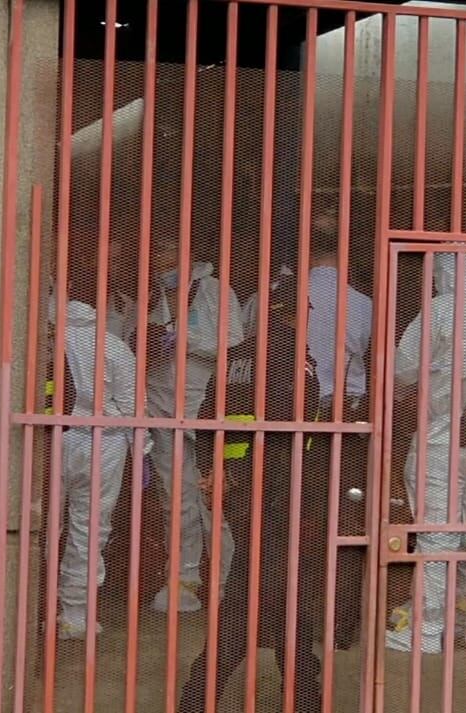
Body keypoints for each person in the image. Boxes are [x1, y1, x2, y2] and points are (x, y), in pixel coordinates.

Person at [179, 280, 323, 713]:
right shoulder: (292, 359)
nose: (310, 320)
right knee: (261, 601)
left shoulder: (234, 357)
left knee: (277, 596)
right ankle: (199, 698)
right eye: (307, 312)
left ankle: (303, 696)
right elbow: (281, 429)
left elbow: (207, 420)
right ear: (291, 313)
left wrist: (215, 474)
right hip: (278, 493)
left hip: (241, 495)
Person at [386, 250, 466, 654]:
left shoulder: (440, 310)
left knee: (437, 532)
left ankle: (427, 631)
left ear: (442, 271)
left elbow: (401, 367)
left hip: (444, 430)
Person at [144, 236, 244, 613]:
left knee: (212, 495)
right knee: (174, 497)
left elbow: (234, 342)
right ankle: (183, 578)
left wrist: (185, 340)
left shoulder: (215, 289)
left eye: (164, 248)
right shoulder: (150, 292)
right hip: (159, 402)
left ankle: (224, 583)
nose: (157, 256)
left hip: (206, 401)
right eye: (154, 250)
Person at [305, 219, 373, 649]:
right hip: (347, 423)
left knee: (290, 523)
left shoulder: (277, 300)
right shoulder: (364, 304)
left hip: (293, 422)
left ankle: (282, 622)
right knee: (345, 524)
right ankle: (339, 627)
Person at [55, 290, 138, 639]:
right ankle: (75, 614)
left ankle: (36, 605)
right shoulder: (113, 345)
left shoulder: (47, 336)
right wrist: (141, 449)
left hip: (55, 435)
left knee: (44, 526)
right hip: (106, 440)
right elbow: (134, 405)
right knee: (89, 529)